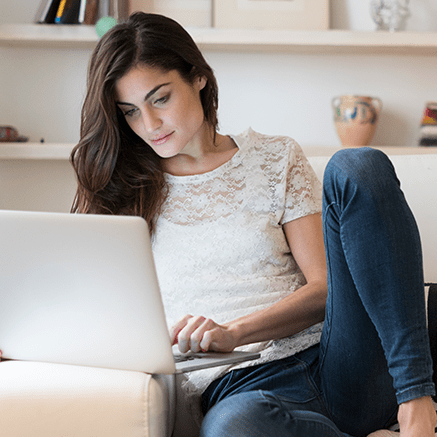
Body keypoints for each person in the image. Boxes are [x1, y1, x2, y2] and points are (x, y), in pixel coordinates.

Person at [69, 12, 436, 437]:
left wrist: (233, 332)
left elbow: (324, 288)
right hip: (242, 395)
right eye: (130, 111)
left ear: (198, 77)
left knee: (358, 165)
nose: (149, 124)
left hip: (337, 361)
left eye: (160, 98)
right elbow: (88, 311)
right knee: (232, 428)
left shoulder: (276, 157)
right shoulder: (119, 192)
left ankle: (416, 404)